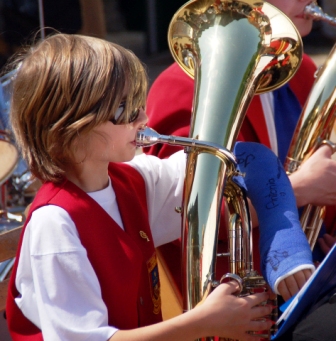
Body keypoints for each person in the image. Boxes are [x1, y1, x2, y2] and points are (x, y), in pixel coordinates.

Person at [3, 33, 315, 341]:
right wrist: (205, 321)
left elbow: (247, 160)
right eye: (123, 109)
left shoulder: (136, 180)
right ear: (69, 126)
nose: (143, 117)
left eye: (138, 102)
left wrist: (285, 247)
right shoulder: (54, 226)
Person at [144, 0, 336, 293]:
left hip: (314, 277)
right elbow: (187, 214)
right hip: (241, 299)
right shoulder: (184, 85)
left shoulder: (300, 70)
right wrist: (300, 186)